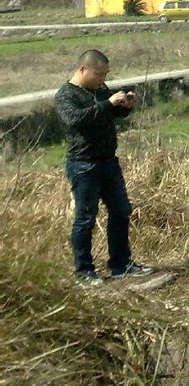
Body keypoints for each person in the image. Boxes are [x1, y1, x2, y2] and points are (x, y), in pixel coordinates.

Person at [53, 49, 153, 285]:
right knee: (86, 218)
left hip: (109, 162)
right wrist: (108, 104)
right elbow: (78, 119)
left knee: (120, 211)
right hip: (83, 165)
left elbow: (109, 113)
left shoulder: (99, 90)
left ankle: (120, 264)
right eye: (99, 74)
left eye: (106, 75)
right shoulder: (65, 95)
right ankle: (83, 271)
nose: (103, 80)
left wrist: (124, 106)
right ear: (82, 70)